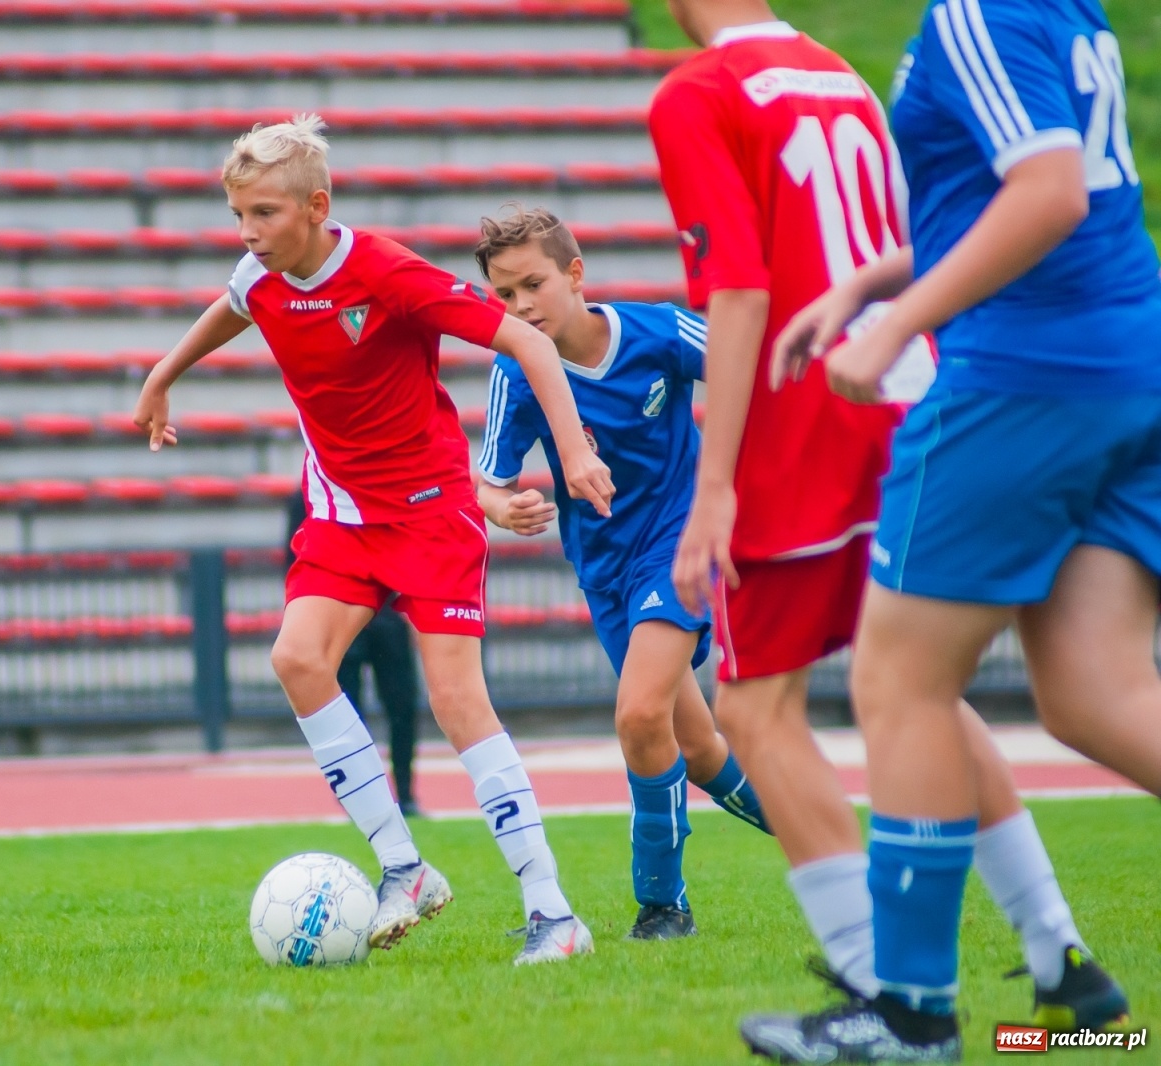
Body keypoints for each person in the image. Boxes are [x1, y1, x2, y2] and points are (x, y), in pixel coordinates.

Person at [647, 1, 1123, 1057]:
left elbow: (738, 291)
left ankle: (880, 987)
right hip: (906, 396)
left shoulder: (698, 92)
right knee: (918, 688)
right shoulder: (840, 70)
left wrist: (714, 483)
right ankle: (1059, 955)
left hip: (802, 414)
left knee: (755, 707)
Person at [133, 114, 616, 964]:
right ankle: (404, 867)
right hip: (341, 515)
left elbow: (525, 344)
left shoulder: (387, 271)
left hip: (430, 512)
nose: (248, 233)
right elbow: (234, 305)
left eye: (265, 214)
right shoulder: (260, 274)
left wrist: (573, 452)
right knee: (297, 659)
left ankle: (553, 915)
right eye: (239, 215)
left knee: (457, 702)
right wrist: (163, 376)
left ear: (316, 207)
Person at [470, 206, 770, 941]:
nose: (520, 306)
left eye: (533, 285)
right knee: (695, 747)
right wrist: (505, 510)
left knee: (638, 715)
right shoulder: (515, 369)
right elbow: (487, 484)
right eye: (504, 295)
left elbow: (749, 366)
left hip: (680, 543)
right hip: (605, 571)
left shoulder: (657, 332)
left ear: (575, 274)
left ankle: (663, 905)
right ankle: (819, 835)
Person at [285, 489, 422, 816]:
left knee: (402, 705)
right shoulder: (306, 494)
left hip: (387, 613)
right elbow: (296, 558)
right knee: (346, 711)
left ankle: (406, 793)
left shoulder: (384, 487)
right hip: (338, 611)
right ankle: (361, 799)